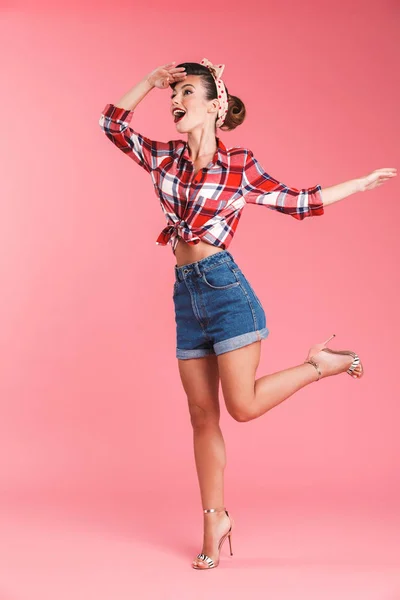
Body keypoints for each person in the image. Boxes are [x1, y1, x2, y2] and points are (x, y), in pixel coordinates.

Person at [99, 59, 397, 570]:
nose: (176, 100)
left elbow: (300, 201)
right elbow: (114, 125)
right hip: (184, 295)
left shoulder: (240, 166)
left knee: (242, 406)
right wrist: (151, 81)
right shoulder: (164, 157)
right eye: (175, 93)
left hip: (225, 290)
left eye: (188, 92)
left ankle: (320, 364)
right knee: (201, 415)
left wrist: (361, 183)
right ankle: (214, 517)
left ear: (216, 105)